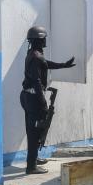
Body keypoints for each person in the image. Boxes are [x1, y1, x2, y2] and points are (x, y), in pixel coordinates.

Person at [20, 26, 74, 175]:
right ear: (39, 40)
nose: (45, 41)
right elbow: (37, 82)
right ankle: (31, 167)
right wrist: (43, 103)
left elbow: (46, 64)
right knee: (35, 132)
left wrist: (63, 65)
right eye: (43, 38)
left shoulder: (33, 54)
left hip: (27, 96)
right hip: (33, 98)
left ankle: (34, 158)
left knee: (33, 130)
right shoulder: (36, 56)